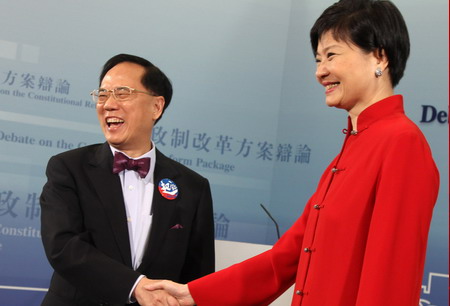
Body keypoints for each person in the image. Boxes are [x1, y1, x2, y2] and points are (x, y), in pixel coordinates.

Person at [145, 0, 440, 305]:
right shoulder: (349, 152)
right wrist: (193, 293)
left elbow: (389, 280)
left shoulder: (402, 144)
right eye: (317, 59)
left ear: (380, 56)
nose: (320, 72)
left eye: (331, 55)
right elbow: (285, 259)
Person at [40, 54, 215, 305]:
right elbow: (63, 246)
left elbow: (198, 277)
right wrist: (135, 286)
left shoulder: (192, 187)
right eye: (102, 95)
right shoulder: (68, 168)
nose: (108, 104)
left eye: (122, 93)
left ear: (156, 106)